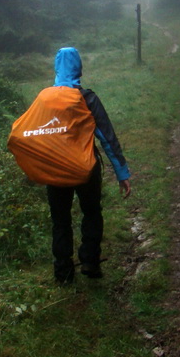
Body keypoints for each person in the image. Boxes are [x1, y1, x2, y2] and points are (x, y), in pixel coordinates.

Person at [48, 47, 131, 284]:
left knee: (60, 220)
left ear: (56, 67)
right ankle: (90, 262)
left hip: (55, 170)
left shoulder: (45, 100)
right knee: (92, 212)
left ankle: (63, 273)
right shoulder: (88, 98)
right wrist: (121, 173)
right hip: (86, 169)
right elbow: (107, 137)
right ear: (78, 68)